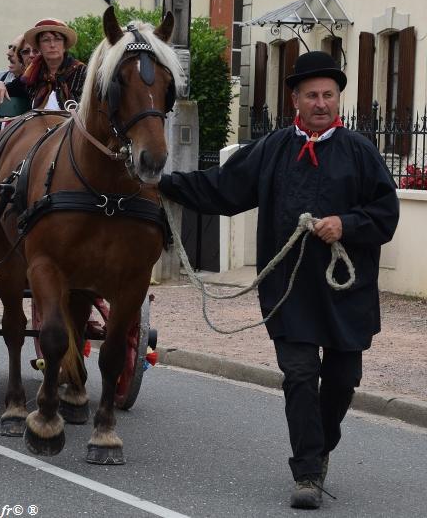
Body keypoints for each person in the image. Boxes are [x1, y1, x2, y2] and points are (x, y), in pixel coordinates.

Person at [158, 51, 400, 510]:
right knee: (300, 374)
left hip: (347, 293)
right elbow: (222, 188)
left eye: (328, 94)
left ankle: (319, 447)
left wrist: (346, 224)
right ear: (296, 99)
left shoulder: (361, 153)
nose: (321, 103)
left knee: (343, 378)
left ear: (338, 99)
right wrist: (164, 184)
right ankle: (308, 472)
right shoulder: (271, 149)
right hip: (288, 290)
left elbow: (386, 215)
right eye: (312, 95)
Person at [0, 18, 86, 110]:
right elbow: (12, 89)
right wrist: (0, 84)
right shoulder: (34, 72)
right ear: (39, 46)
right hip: (38, 123)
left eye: (57, 39)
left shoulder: (81, 72)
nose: (52, 45)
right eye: (46, 40)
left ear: (65, 45)